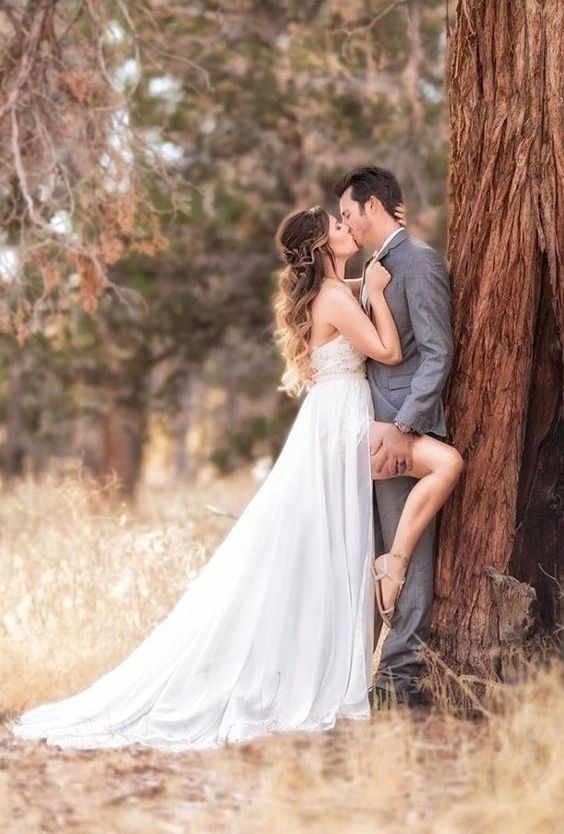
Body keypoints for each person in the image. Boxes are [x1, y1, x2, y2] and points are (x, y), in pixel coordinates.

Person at [10, 204, 459, 752]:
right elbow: (387, 349)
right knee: (438, 467)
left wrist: (374, 281)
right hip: (343, 420)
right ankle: (391, 568)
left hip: (334, 417)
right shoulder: (338, 296)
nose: (348, 229)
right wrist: (384, 295)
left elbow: (362, 306)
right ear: (321, 246)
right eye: (338, 226)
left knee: (328, 543)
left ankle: (374, 588)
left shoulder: (340, 288)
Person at [335, 165, 460, 705]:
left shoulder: (420, 262)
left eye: (348, 213)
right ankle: (353, 672)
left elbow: (437, 352)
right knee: (373, 551)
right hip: (366, 432)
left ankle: (399, 679)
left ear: (373, 207)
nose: (346, 223)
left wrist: (405, 426)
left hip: (401, 434)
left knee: (410, 555)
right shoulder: (375, 266)